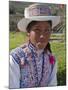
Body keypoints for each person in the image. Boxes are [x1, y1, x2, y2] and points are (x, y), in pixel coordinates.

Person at [9, 4, 60, 88]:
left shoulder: (52, 59)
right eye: (37, 30)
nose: (42, 36)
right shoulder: (15, 58)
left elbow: (52, 85)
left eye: (47, 30)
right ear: (28, 31)